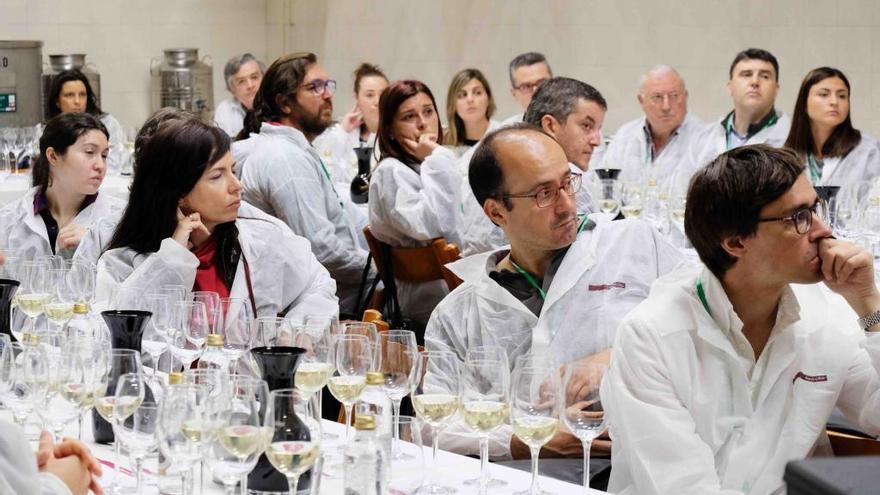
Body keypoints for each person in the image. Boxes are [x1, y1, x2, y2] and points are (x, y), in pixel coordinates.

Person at [602, 144, 880, 494]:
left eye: (815, 209)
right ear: (735, 242)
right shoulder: (653, 335)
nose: (823, 230)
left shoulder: (828, 311)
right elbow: (685, 489)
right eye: (799, 218)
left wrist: (869, 304)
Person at [426, 124, 682, 461]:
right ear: (497, 212)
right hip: (518, 479)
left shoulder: (631, 243)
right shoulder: (459, 313)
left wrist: (616, 354)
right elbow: (431, 426)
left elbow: (710, 323)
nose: (566, 205)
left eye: (567, 183)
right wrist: (526, 442)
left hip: (635, 469)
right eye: (543, 194)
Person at [96, 118, 338, 322]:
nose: (236, 185)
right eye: (217, 176)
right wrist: (173, 256)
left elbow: (318, 284)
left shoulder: (259, 238)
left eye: (232, 170)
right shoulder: (124, 260)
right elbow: (122, 333)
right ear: (179, 193)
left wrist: (294, 332)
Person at [235, 52, 369, 314]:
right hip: (324, 307)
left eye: (328, 85)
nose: (328, 94)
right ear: (285, 103)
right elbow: (323, 251)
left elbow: (343, 215)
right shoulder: (286, 159)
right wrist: (380, 269)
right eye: (315, 87)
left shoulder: (293, 149)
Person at [369, 79, 462, 328]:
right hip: (430, 301)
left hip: (445, 291)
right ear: (389, 129)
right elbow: (435, 224)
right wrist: (436, 156)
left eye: (428, 111)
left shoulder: (420, 166)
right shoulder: (390, 172)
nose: (423, 123)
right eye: (409, 116)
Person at [0, 113, 124, 260]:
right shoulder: (10, 220)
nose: (100, 166)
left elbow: (135, 277)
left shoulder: (120, 218)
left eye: (104, 155)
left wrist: (96, 245)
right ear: (53, 156)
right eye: (90, 152)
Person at [685, 48, 791, 175]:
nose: (755, 82)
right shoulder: (702, 139)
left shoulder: (794, 140)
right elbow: (682, 190)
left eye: (765, 76)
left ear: (776, 89)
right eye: (746, 74)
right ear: (730, 87)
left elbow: (814, 192)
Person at [600, 65, 703, 188]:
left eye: (674, 96)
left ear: (685, 97)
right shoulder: (625, 136)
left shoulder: (704, 140)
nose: (666, 106)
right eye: (657, 97)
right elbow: (605, 187)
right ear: (641, 101)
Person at [784, 67, 880, 187]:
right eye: (824, 94)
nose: (834, 102)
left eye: (842, 96)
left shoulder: (870, 150)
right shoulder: (785, 156)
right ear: (804, 103)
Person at [524, 77, 606, 214]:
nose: (596, 141)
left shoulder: (504, 160)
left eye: (598, 129)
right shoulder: (569, 179)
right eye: (587, 126)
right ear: (550, 125)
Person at [314, 62, 389, 186]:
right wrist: (342, 132)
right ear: (356, 98)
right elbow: (323, 172)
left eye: (383, 94)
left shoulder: (397, 135)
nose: (377, 101)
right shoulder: (338, 132)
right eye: (369, 95)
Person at [47, 69, 126, 175]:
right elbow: (42, 167)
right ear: (57, 101)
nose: (77, 101)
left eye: (82, 95)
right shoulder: (47, 129)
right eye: (69, 95)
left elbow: (116, 164)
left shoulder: (107, 124)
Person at [443, 68, 499, 152]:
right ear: (453, 104)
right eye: (462, 95)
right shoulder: (443, 141)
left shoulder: (503, 135)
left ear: (488, 98)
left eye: (477, 93)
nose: (470, 99)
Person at [214, 53, 265, 137]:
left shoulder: (278, 104)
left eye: (254, 77)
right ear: (231, 90)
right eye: (241, 81)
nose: (250, 85)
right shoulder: (225, 110)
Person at [503, 52, 552, 124]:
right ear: (514, 94)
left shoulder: (572, 123)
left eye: (542, 83)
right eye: (526, 86)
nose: (536, 91)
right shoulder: (506, 131)